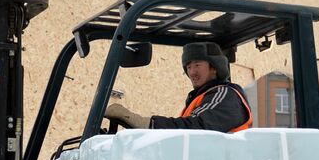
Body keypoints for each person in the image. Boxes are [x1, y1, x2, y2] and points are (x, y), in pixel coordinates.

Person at [104, 42, 253, 133]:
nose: (192, 72)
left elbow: (197, 129)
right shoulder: (202, 97)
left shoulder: (225, 94)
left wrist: (147, 123)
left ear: (214, 68)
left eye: (197, 65)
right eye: (188, 67)